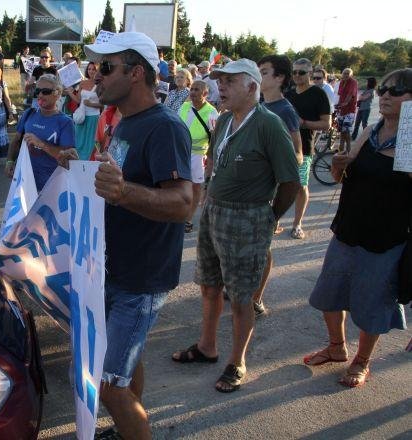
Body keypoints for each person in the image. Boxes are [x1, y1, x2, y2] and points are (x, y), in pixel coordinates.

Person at [71, 32, 194, 440]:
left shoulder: (165, 128)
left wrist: (123, 191)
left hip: (141, 279)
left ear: (136, 72)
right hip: (114, 268)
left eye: (105, 68)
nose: (96, 76)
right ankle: (128, 430)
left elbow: (182, 203)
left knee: (109, 385)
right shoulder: (127, 121)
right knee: (126, 362)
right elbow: (119, 179)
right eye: (95, 68)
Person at [171, 59, 300, 394]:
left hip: (247, 217)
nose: (220, 88)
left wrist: (270, 217)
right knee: (209, 285)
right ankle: (207, 347)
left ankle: (237, 361)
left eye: (228, 82)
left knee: (241, 297)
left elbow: (290, 181)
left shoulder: (269, 125)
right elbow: (214, 158)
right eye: (220, 81)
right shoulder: (225, 119)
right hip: (215, 211)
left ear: (252, 87)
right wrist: (209, 193)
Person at [304, 68, 411, 388]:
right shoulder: (372, 130)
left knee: (372, 303)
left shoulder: (409, 137)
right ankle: (337, 347)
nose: (387, 95)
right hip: (348, 228)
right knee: (329, 294)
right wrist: (338, 167)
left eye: (398, 90)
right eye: (384, 90)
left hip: (385, 237)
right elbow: (344, 176)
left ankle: (362, 361)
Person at [252, 55, 304, 317]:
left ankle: (256, 296)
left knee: (263, 246)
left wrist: (270, 162)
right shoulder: (259, 104)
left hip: (268, 190)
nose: (258, 76)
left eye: (263, 71)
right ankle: (243, 288)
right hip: (251, 189)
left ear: (279, 78)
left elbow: (298, 155)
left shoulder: (285, 110)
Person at [5, 74, 74, 192]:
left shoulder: (65, 122)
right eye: (38, 91)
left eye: (45, 91)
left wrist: (41, 144)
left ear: (57, 94)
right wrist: (10, 161)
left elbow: (67, 159)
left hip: (52, 188)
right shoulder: (28, 114)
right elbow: (16, 141)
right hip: (25, 184)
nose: (40, 95)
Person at [286, 58, 331, 240]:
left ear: (310, 73)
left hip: (304, 148)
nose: (297, 75)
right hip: (282, 147)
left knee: (301, 186)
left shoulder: (318, 94)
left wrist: (303, 123)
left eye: (301, 72)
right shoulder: (288, 94)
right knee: (276, 185)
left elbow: (326, 124)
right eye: (294, 72)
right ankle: (275, 220)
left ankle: (297, 224)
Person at [177, 80, 218, 233]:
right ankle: (178, 212)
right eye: (192, 89)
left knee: (195, 186)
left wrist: (210, 159)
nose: (193, 92)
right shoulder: (185, 106)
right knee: (179, 183)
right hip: (181, 152)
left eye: (197, 90)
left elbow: (215, 137)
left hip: (198, 155)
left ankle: (188, 218)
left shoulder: (212, 112)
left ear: (205, 94)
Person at [73, 61, 102, 160]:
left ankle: (88, 164)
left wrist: (91, 104)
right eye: (89, 69)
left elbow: (103, 104)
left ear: (98, 70)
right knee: (79, 140)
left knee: (90, 143)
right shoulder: (82, 83)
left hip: (93, 117)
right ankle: (78, 162)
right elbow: (78, 100)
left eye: (94, 69)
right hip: (81, 117)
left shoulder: (101, 85)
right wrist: (69, 92)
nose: (91, 71)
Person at [336, 68, 359, 152]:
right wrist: (338, 104)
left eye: (347, 73)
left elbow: (350, 94)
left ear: (351, 75)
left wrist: (345, 103)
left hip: (350, 110)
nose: (345, 75)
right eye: (344, 73)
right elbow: (340, 95)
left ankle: (348, 149)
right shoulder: (342, 82)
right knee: (342, 131)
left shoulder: (353, 82)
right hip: (342, 110)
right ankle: (341, 148)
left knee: (346, 130)